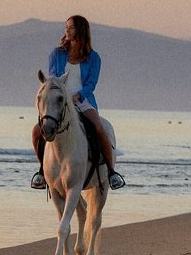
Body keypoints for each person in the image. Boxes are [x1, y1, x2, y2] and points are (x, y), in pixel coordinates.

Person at [31, 15, 125, 190]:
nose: (67, 30)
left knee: (99, 128)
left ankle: (111, 172)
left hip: (83, 101)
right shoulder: (56, 54)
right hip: (60, 102)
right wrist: (65, 97)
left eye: (71, 27)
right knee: (37, 131)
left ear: (80, 30)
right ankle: (42, 172)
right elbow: (53, 81)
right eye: (66, 27)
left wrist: (77, 96)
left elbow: (91, 84)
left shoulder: (94, 58)